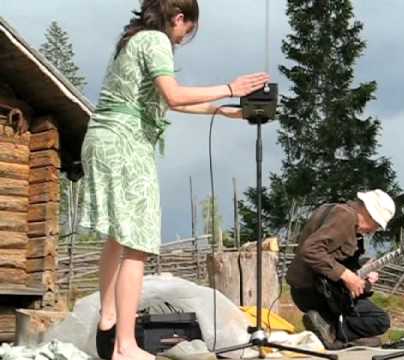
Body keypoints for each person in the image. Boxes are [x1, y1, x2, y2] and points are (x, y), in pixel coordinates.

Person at [77, 1, 270, 360]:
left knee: (119, 238)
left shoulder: (132, 41)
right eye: (186, 31)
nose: (182, 39)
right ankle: (125, 345)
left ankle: (109, 319)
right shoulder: (156, 40)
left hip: (105, 138)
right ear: (179, 18)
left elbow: (171, 103)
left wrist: (223, 111)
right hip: (126, 143)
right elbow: (175, 94)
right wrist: (230, 86)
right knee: (138, 241)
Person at [286, 189, 396, 349]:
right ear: (368, 212)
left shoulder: (338, 213)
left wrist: (362, 276)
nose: (373, 230)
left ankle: (331, 330)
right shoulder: (345, 216)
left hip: (315, 290)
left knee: (375, 325)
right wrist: (348, 276)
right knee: (380, 320)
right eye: (376, 224)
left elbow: (334, 258)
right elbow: (311, 250)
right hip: (314, 292)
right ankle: (332, 331)